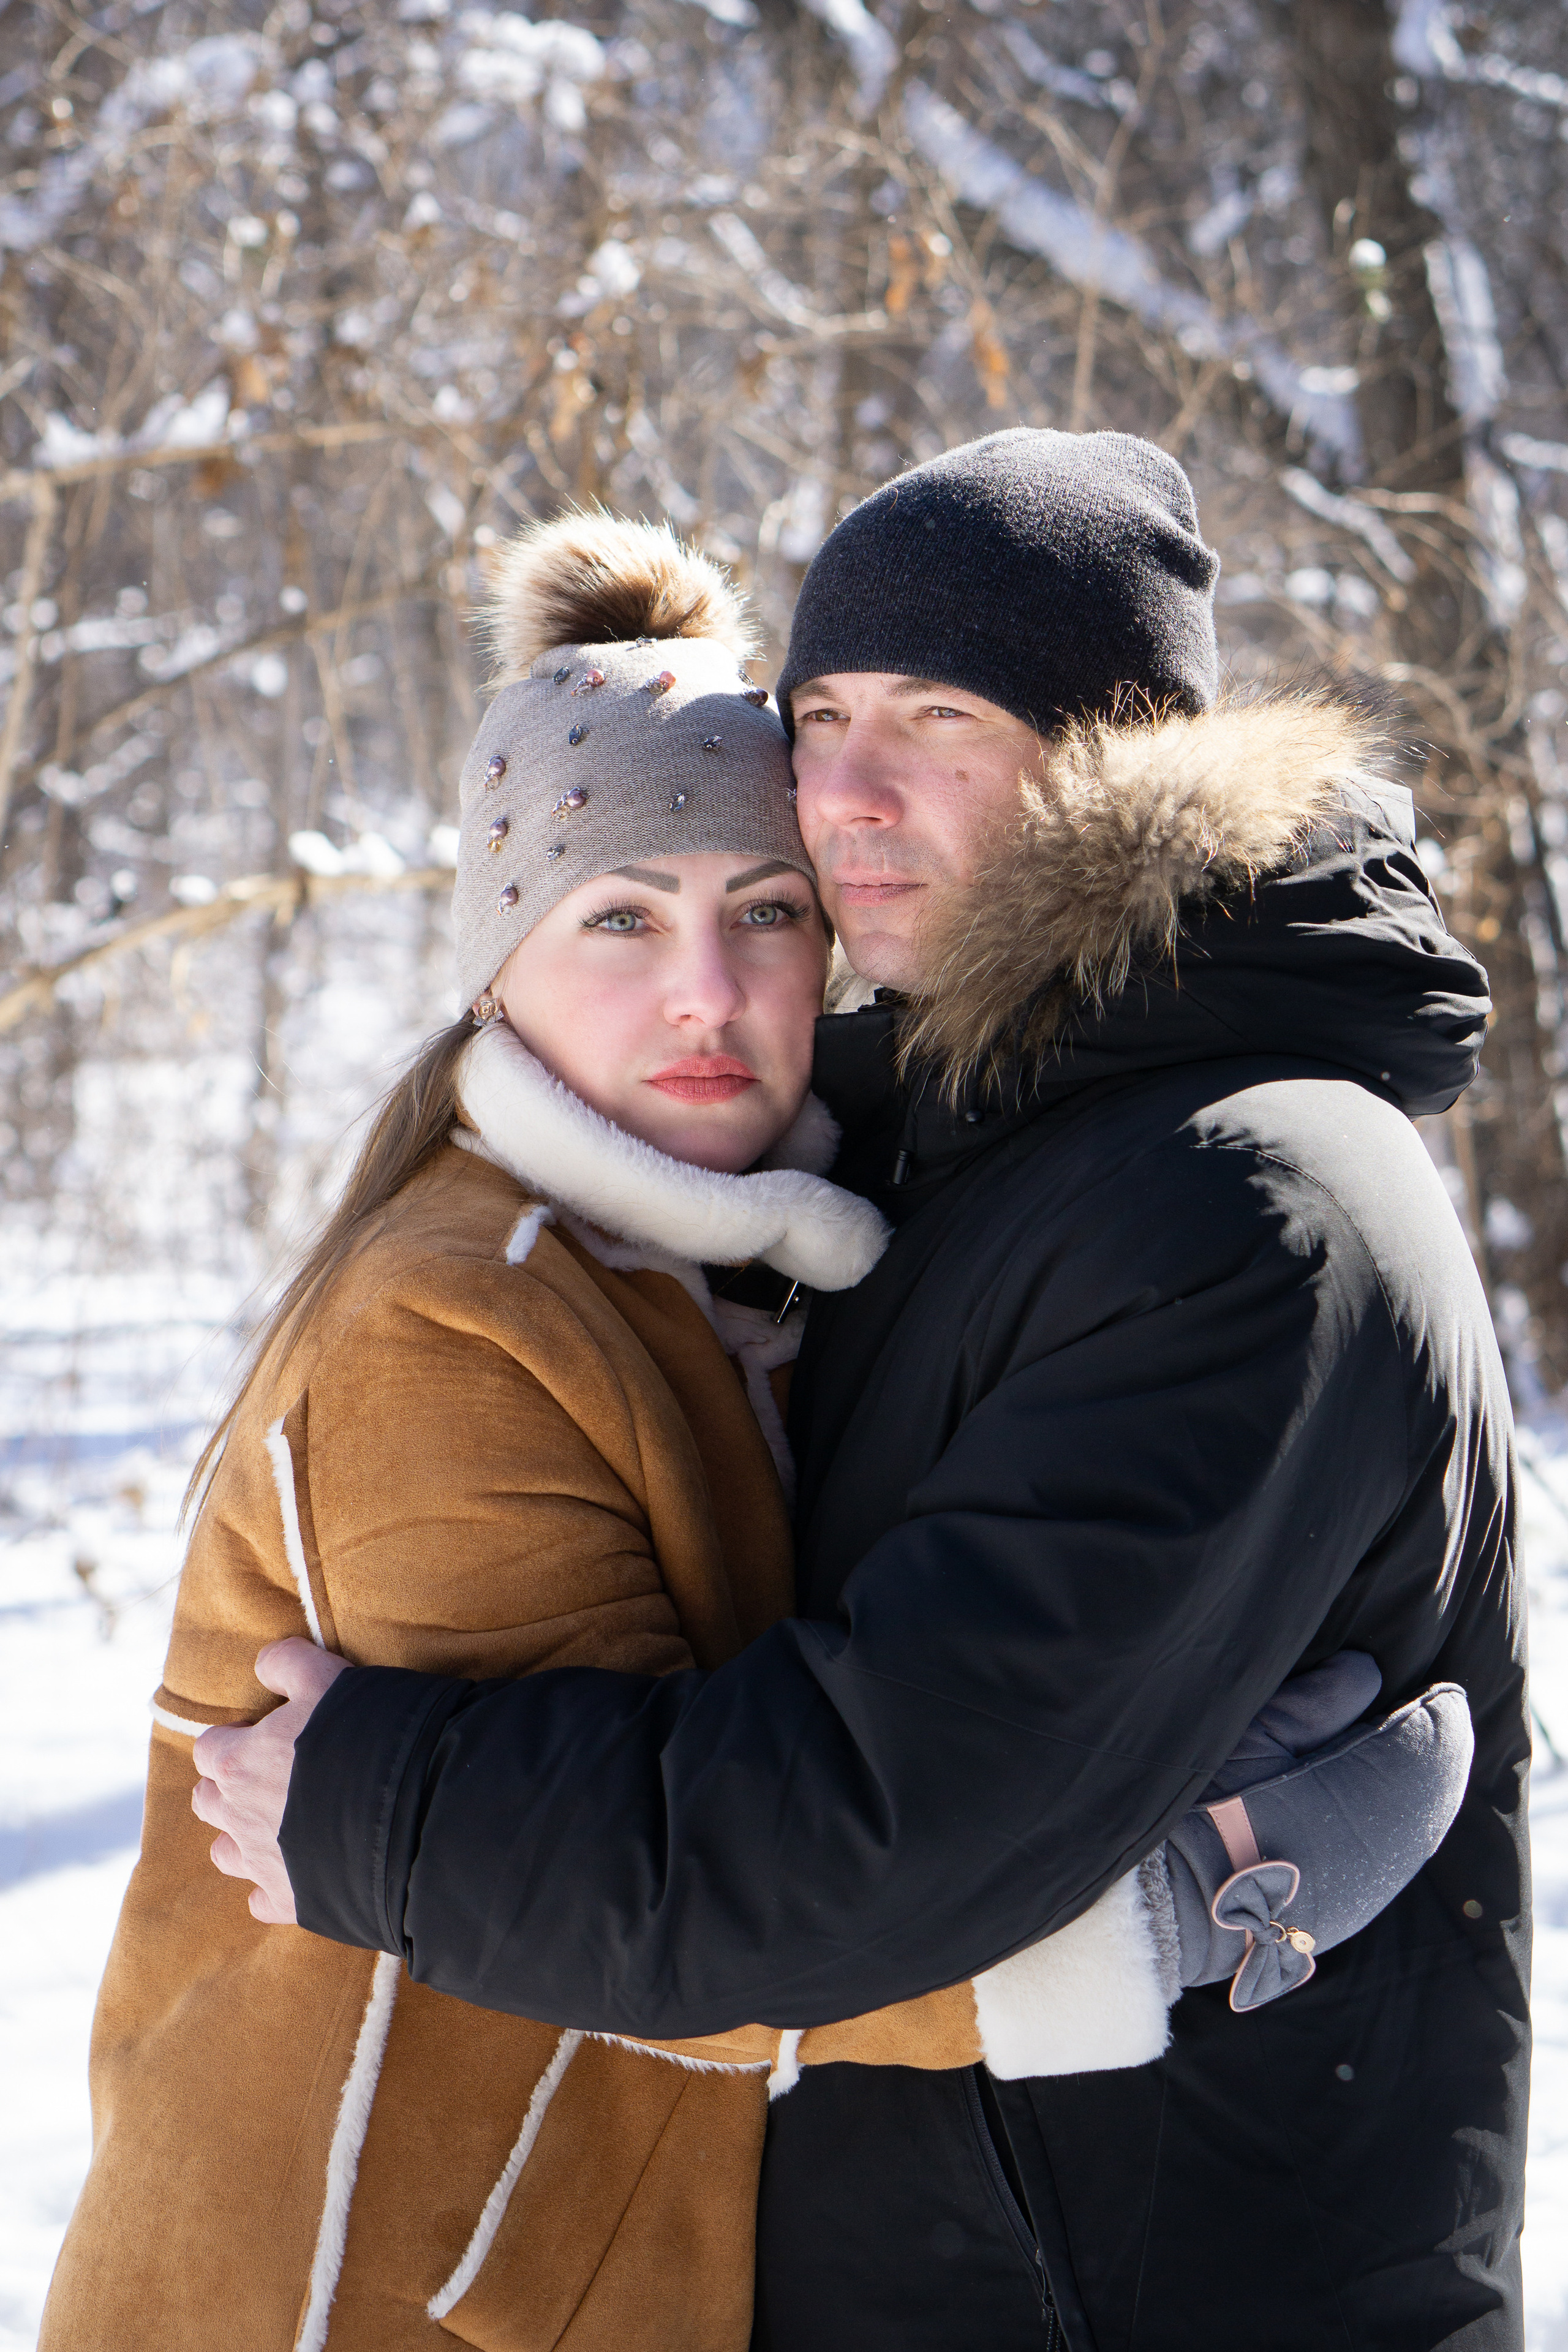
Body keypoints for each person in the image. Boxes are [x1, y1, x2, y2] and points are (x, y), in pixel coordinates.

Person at [190, 437, 1525, 2350]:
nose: (850, 793)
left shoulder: (1245, 1199)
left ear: (1118, 748)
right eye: (819, 716)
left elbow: (868, 1836)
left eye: (939, 716)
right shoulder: (931, 1155)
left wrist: (388, 1815)